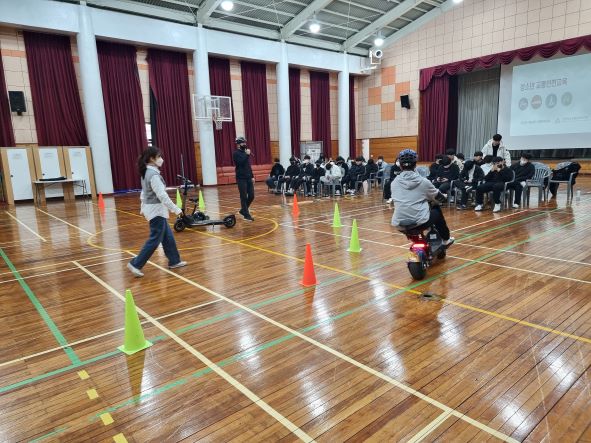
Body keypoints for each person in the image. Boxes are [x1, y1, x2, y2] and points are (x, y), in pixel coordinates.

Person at [127, 147, 186, 278]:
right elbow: (162, 196)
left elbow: (144, 193)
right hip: (156, 211)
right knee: (155, 239)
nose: (161, 159)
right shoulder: (152, 175)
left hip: (154, 209)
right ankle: (136, 264)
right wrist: (176, 209)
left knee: (168, 237)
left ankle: (174, 261)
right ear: (151, 159)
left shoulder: (147, 172)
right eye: (158, 156)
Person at [391, 149, 454, 246]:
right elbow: (437, 196)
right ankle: (446, 240)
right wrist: (443, 197)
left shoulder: (394, 183)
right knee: (436, 211)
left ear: (400, 165)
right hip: (419, 222)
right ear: (415, 165)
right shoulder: (423, 182)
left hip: (399, 224)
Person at [233, 136, 255, 221]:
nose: (245, 144)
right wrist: (247, 155)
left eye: (245, 143)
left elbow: (248, 166)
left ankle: (243, 211)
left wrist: (252, 176)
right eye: (243, 143)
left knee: (252, 196)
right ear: (238, 144)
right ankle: (246, 215)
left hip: (249, 178)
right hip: (241, 178)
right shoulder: (236, 153)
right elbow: (240, 163)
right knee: (243, 197)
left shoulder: (245, 153)